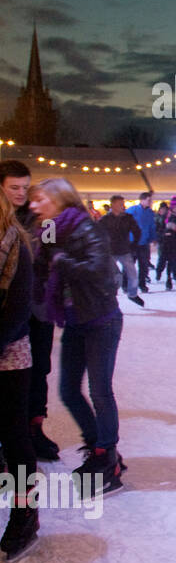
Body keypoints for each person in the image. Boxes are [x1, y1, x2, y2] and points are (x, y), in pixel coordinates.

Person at [28, 178, 126, 494]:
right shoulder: (49, 231)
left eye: (38, 199)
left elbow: (99, 269)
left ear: (57, 199)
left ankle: (106, 457)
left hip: (101, 321)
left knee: (100, 391)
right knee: (69, 391)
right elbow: (40, 269)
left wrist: (61, 261)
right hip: (75, 321)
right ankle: (100, 446)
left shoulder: (86, 227)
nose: (32, 205)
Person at [1, 161, 60, 462]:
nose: (22, 193)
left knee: (39, 370)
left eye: (25, 187)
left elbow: (52, 255)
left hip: (37, 307)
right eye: (15, 187)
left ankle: (34, 427)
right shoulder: (2, 219)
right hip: (9, 308)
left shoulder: (42, 219)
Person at [0, 189, 40, 558]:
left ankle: (25, 512)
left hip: (9, 356)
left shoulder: (16, 247)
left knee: (14, 436)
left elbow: (16, 311)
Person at [99, 196, 146, 307]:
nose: (123, 206)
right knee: (114, 276)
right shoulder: (105, 220)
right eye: (121, 204)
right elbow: (98, 234)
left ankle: (132, 294)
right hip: (110, 252)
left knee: (133, 275)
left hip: (125, 250)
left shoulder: (128, 218)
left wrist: (134, 245)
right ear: (113, 205)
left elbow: (137, 231)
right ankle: (110, 297)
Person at [125, 191, 156, 294]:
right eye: (148, 200)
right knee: (129, 265)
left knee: (143, 265)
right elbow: (123, 224)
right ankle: (125, 284)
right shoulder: (132, 210)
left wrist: (153, 238)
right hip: (132, 243)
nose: (150, 202)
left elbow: (152, 226)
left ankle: (142, 284)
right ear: (142, 200)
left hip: (144, 243)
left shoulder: (150, 213)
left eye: (150, 200)